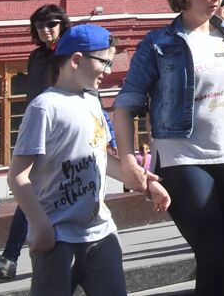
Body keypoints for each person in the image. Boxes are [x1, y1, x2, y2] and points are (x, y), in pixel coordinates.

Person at [113, 0, 224, 296]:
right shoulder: (159, 43)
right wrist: (128, 160)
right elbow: (126, 104)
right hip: (182, 158)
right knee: (212, 251)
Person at [9, 23, 171, 296]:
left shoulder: (92, 101)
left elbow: (103, 158)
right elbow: (17, 176)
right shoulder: (44, 107)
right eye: (104, 62)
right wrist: (40, 225)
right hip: (57, 237)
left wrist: (145, 183)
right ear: (76, 60)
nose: (108, 71)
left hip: (102, 233)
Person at [0, 4, 72, 281]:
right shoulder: (37, 57)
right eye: (40, 27)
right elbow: (32, 99)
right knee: (29, 193)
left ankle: (13, 257)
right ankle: (10, 258)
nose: (45, 31)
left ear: (62, 25)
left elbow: (88, 91)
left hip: (69, 135)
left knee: (49, 193)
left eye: (51, 24)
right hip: (40, 133)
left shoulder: (71, 55)